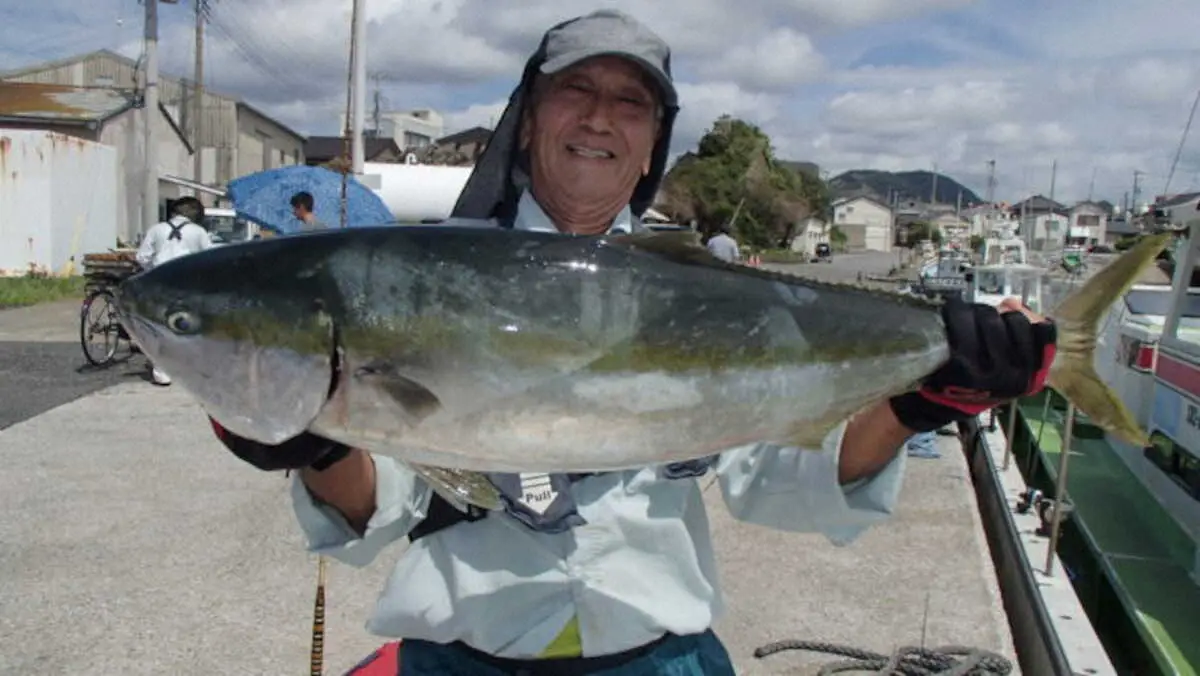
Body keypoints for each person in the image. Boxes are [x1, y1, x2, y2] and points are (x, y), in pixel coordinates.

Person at [206, 10, 1057, 675]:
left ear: (655, 138)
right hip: (460, 662)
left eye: (631, 101)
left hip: (666, 660)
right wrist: (317, 444)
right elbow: (374, 506)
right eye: (576, 91)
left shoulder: (710, 287)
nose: (599, 118)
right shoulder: (422, 280)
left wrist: (916, 403)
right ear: (529, 119)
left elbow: (781, 482)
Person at [134, 196, 213, 386]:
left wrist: (153, 269)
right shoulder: (198, 232)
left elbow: (142, 257)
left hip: (160, 282)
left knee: (159, 323)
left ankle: (160, 369)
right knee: (187, 323)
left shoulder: (156, 229)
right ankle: (187, 365)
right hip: (187, 284)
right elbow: (209, 258)